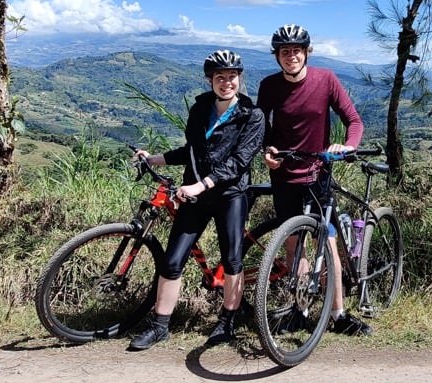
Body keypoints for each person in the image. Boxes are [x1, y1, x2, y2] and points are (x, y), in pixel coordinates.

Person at [128, 50, 265, 351]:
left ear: (239, 79)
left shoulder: (252, 116)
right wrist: (153, 158)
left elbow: (239, 162)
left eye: (231, 77)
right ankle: (159, 325)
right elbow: (191, 151)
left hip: (230, 194)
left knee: (232, 259)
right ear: (210, 80)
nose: (226, 82)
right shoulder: (201, 107)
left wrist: (201, 185)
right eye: (219, 77)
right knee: (173, 260)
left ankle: (228, 320)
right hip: (196, 193)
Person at [257, 24, 373, 336]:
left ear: (307, 52)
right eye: (284, 51)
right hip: (283, 175)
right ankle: (301, 310)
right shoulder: (268, 86)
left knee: (329, 243)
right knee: (293, 247)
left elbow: (354, 120)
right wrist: (267, 150)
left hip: (318, 173)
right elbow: (262, 128)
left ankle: (338, 314)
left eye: (296, 50)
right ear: (277, 56)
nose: (291, 56)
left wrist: (348, 146)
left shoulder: (326, 80)